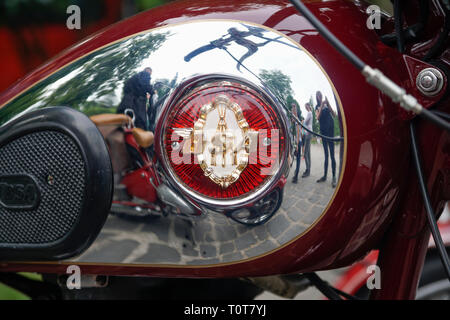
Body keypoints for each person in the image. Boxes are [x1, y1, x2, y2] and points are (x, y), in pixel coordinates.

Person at [315, 91, 337, 188]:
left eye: (320, 95)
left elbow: (334, 114)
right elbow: (317, 118)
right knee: (326, 155)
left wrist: (328, 104)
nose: (320, 97)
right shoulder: (317, 107)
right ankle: (324, 176)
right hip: (323, 132)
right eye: (318, 96)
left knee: (332, 154)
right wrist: (321, 106)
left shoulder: (327, 105)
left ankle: (334, 177)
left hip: (330, 131)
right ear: (317, 97)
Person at [291, 102, 302, 184]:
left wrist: (297, 145)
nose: (291, 114)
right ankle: (296, 174)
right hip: (297, 142)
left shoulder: (297, 121)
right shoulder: (295, 121)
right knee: (297, 159)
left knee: (298, 160)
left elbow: (298, 133)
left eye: (293, 113)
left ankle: (296, 177)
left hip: (298, 142)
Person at [302, 102, 313, 178]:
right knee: (308, 153)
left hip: (308, 133)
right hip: (308, 133)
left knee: (306, 153)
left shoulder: (309, 113)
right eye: (305, 107)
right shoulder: (310, 113)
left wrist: (302, 122)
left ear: (308, 106)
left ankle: (308, 170)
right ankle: (308, 169)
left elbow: (305, 122)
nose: (305, 108)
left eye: (306, 106)